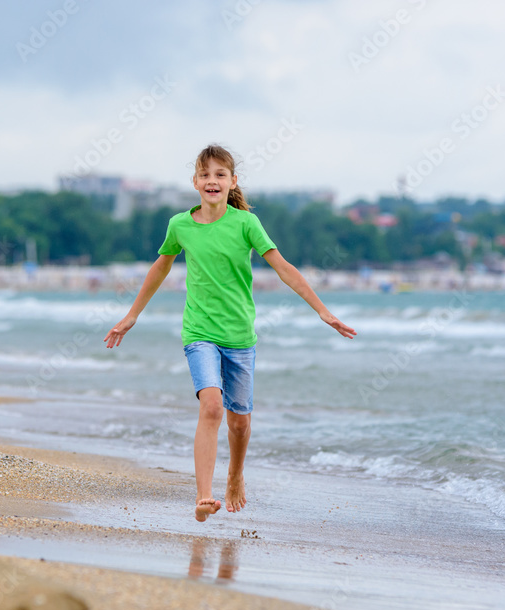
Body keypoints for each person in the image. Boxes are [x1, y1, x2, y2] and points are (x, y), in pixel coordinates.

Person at [104, 144, 356, 522]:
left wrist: (323, 311)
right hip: (199, 331)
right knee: (211, 407)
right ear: (194, 182)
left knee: (240, 422)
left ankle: (235, 475)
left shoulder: (246, 224)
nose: (212, 181)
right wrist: (131, 315)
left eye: (220, 175)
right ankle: (204, 496)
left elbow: (283, 267)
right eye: (205, 175)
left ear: (232, 181)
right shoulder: (180, 225)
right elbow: (159, 268)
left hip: (240, 337)